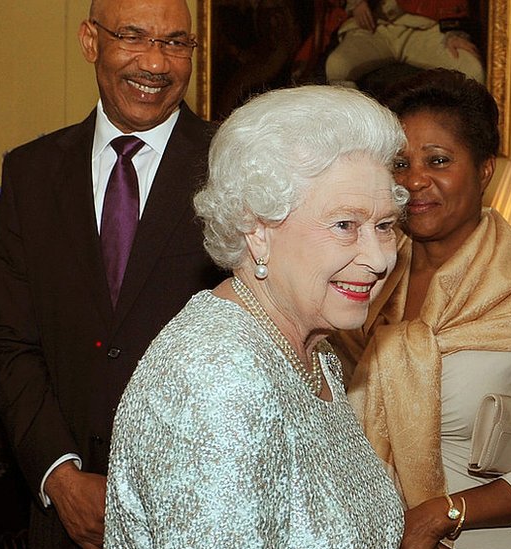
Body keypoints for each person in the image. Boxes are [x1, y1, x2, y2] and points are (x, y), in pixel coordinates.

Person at [104, 85, 408, 547]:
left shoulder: (311, 350)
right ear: (257, 230)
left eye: (384, 226)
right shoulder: (216, 378)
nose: (379, 258)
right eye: (345, 225)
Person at [338, 68, 511, 549]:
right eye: (399, 164)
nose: (415, 180)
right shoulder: (360, 277)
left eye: (438, 160)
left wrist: (442, 515)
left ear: (484, 170)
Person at [0, 0, 223, 546]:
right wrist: (60, 474)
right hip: (60, 518)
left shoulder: (233, 167)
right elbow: (9, 342)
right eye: (134, 36)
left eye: (175, 43)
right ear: (90, 41)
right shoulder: (29, 173)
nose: (156, 63)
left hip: (200, 510)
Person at [325, 0, 485, 88]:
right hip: (373, 26)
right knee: (337, 66)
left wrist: (455, 32)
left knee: (472, 70)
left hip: (425, 27)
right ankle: (354, 134)